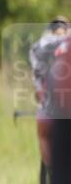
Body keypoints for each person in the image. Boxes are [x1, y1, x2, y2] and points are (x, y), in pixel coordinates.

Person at [31, 16, 69, 170]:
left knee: (44, 136)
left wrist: (40, 93)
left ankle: (52, 171)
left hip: (50, 101)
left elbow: (38, 77)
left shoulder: (40, 45)